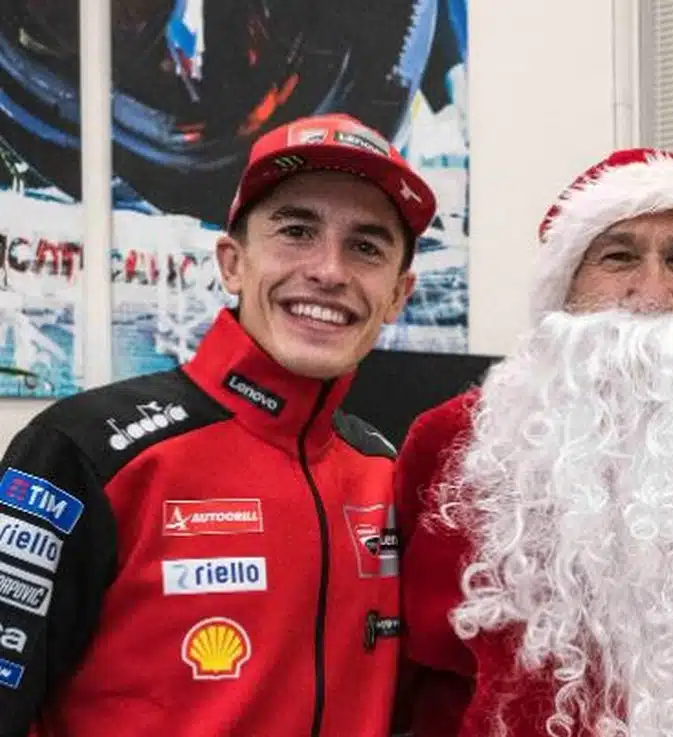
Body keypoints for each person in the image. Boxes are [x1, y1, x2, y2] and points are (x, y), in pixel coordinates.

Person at [0, 112, 435, 736]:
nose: (330, 272)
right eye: (296, 231)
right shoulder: (86, 450)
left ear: (397, 294)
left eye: (366, 247)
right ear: (232, 263)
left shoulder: (384, 470)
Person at [395, 148, 673, 736]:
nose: (652, 293)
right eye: (618, 256)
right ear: (565, 289)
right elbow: (395, 674)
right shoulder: (453, 440)